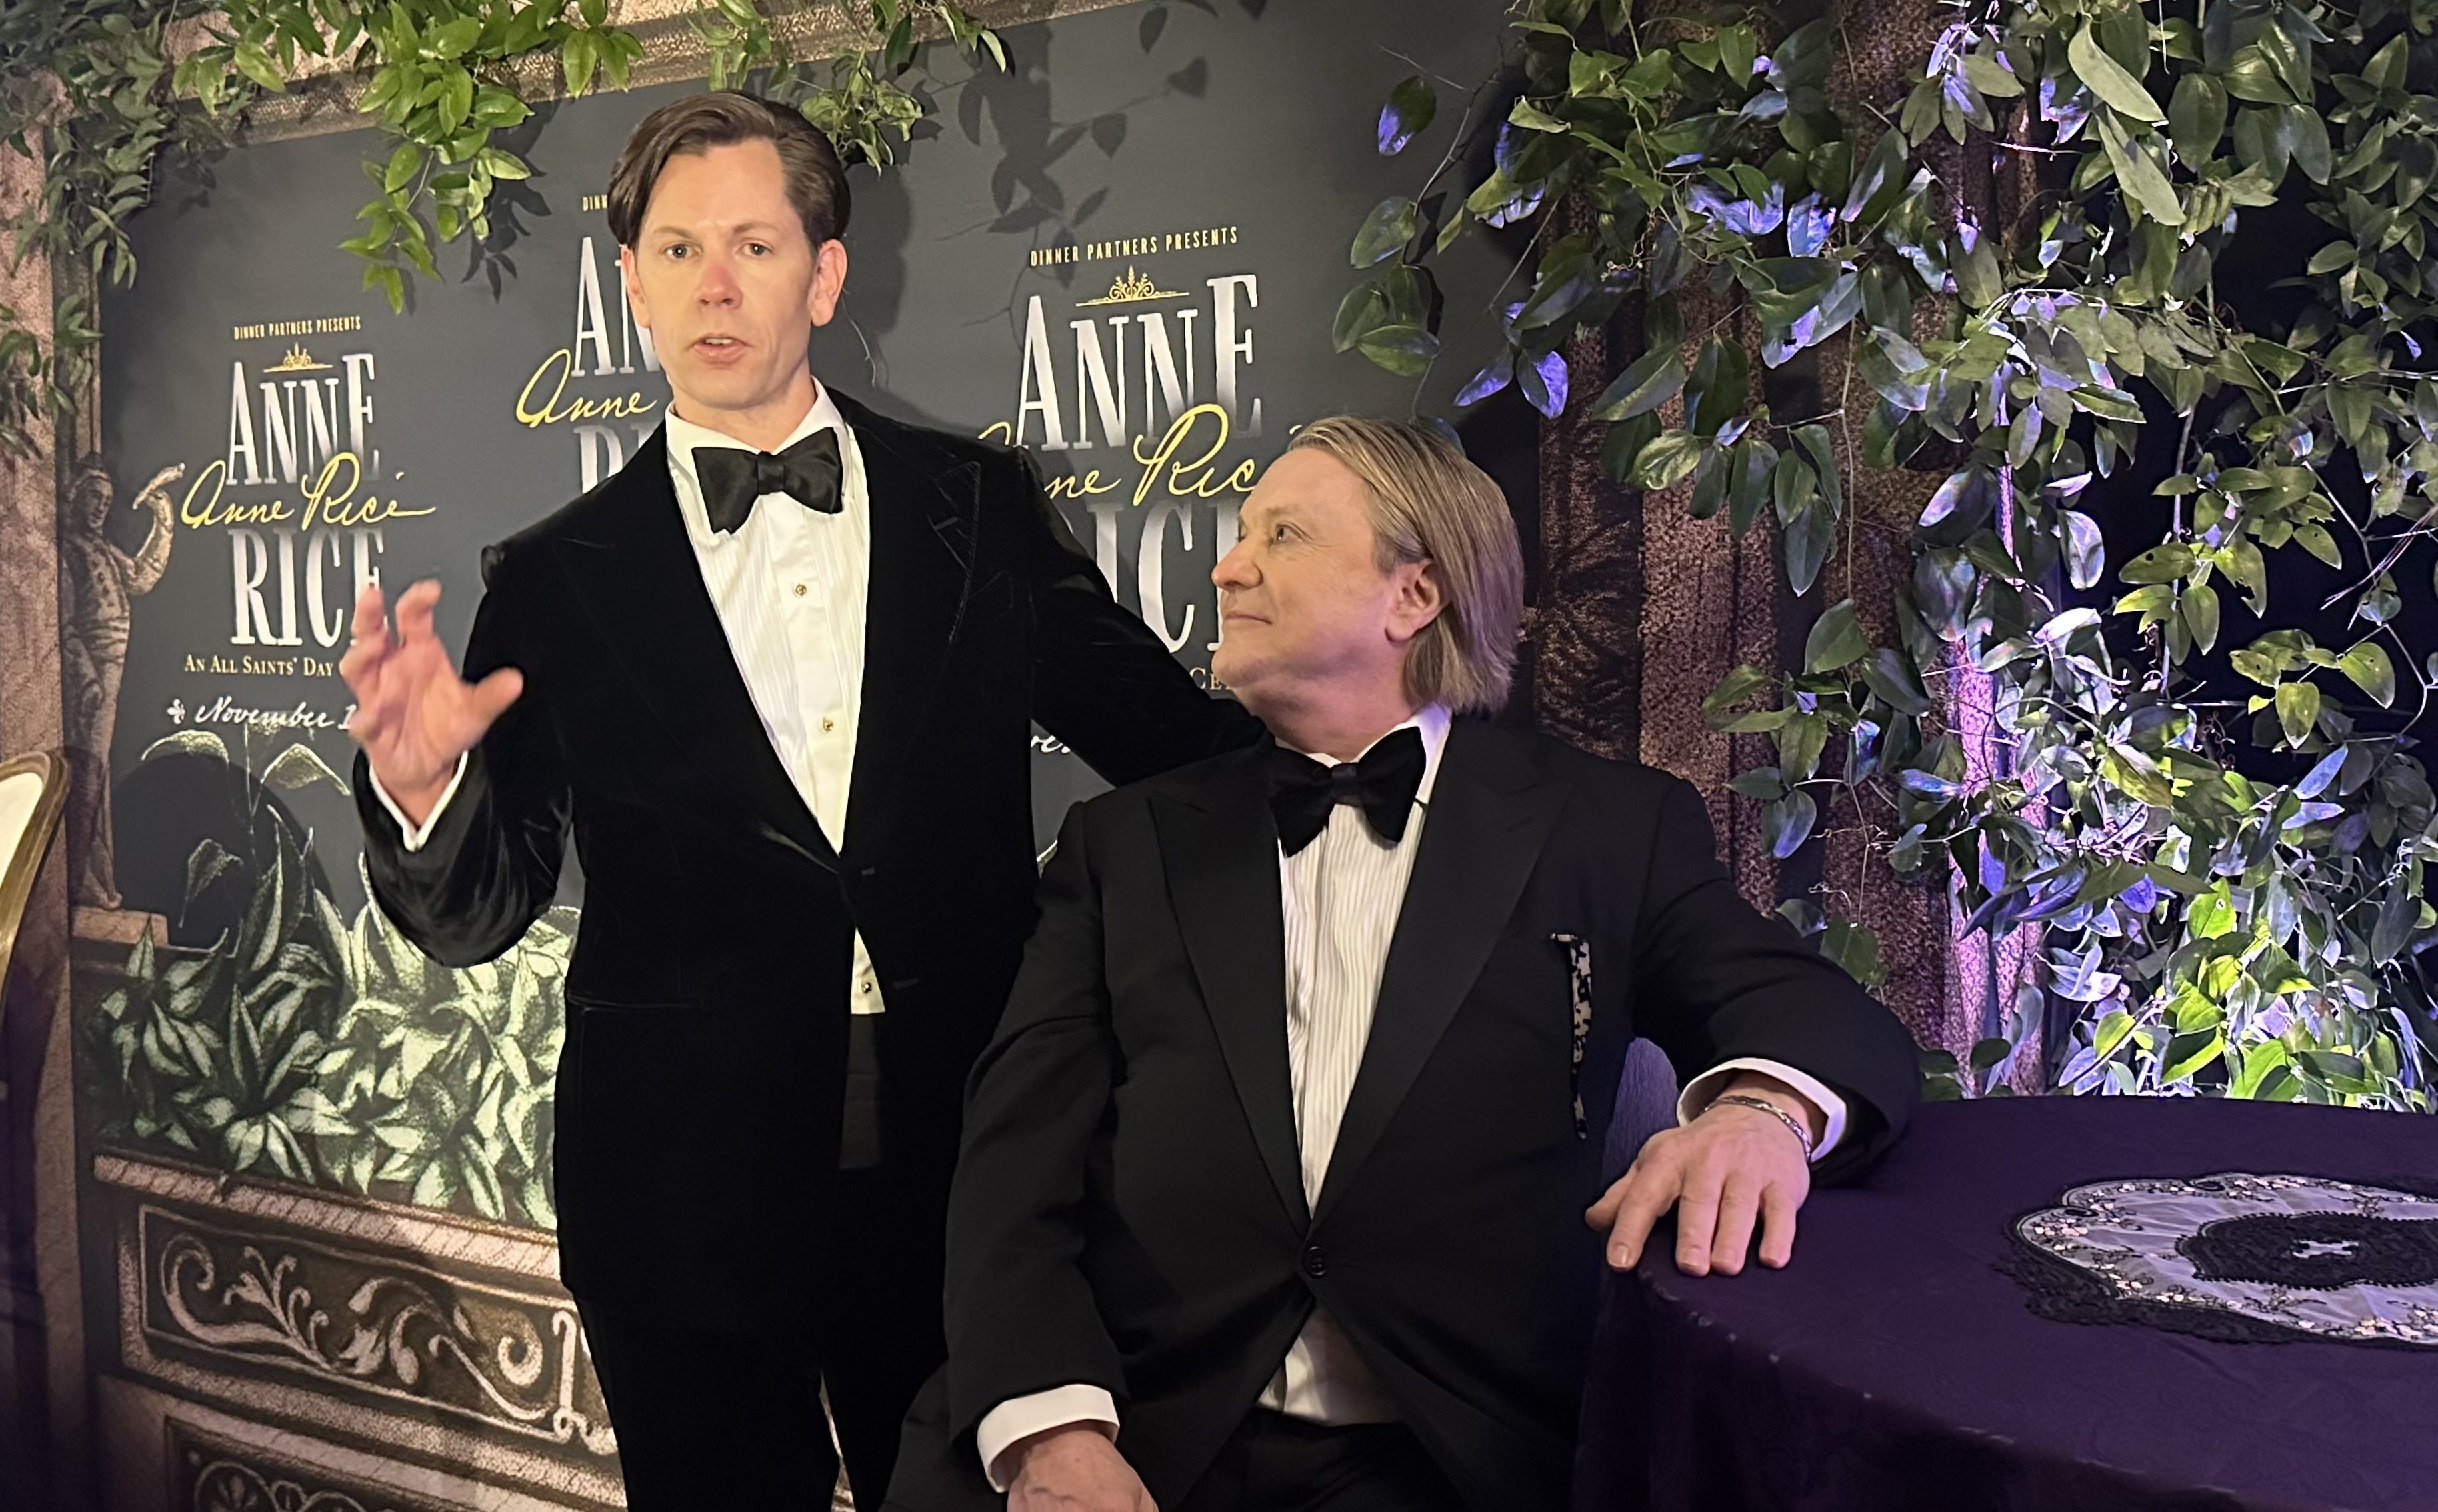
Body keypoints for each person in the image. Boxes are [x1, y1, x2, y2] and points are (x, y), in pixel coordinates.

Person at [337, 90, 1257, 1512]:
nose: (716, 283)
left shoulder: (979, 509)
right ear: (631, 282)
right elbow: (480, 909)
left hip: (972, 1169)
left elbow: (1168, 748)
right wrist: (424, 787)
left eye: (755, 246)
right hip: (677, 1195)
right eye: (679, 248)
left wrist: (1365, 718)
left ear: (822, 276)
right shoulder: (555, 578)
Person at [888, 417, 1922, 1512]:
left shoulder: (1604, 830)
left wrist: (1760, 1113)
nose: (1227, 565)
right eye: (1240, 534)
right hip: (1149, 1426)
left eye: (1280, 536)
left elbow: (1810, 1012)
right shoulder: (1122, 847)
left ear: (1412, 597)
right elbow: (1012, 1170)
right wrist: (1054, 1433)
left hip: (1466, 1453)